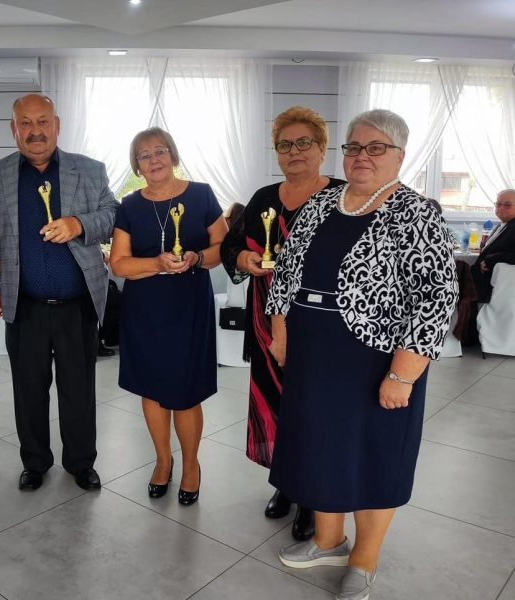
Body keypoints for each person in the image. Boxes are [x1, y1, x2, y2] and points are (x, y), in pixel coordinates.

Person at [266, 109, 457, 600]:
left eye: (376, 148)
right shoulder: (321, 203)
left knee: (372, 456)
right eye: (354, 147)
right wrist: (281, 333)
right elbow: (286, 273)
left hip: (375, 360)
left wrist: (403, 375)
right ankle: (329, 541)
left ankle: (364, 559)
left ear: (400, 155)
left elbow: (436, 298)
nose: (362, 156)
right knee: (320, 449)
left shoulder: (417, 212)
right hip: (314, 354)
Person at [0, 94, 118, 492]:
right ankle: (35, 462)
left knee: (79, 390)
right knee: (29, 391)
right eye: (25, 123)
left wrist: (78, 224)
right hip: (24, 306)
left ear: (56, 126)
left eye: (42, 122)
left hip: (78, 304)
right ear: (14, 129)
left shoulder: (89, 170)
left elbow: (113, 215)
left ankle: (81, 462)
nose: (35, 131)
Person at [220, 106, 343, 540]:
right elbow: (230, 245)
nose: (294, 151)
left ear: (322, 148)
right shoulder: (263, 199)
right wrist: (243, 258)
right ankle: (286, 484)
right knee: (275, 404)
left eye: (304, 142)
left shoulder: (344, 197)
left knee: (313, 409)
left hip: (320, 323)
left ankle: (311, 496)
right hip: (265, 321)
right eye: (285, 144)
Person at [110, 127, 227, 505]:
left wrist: (197, 257)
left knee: (186, 393)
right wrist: (157, 263)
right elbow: (119, 264)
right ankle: (163, 461)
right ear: (137, 166)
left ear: (173, 155)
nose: (153, 159)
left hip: (189, 307)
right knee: (152, 390)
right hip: (145, 311)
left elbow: (223, 247)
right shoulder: (129, 206)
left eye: (160, 151)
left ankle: (191, 465)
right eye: (144, 155)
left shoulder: (201, 194)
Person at [471, 189, 515, 303]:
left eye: (507, 205)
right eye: (498, 204)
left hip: (494, 290)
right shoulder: (503, 224)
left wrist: (490, 259)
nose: (501, 208)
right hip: (481, 280)